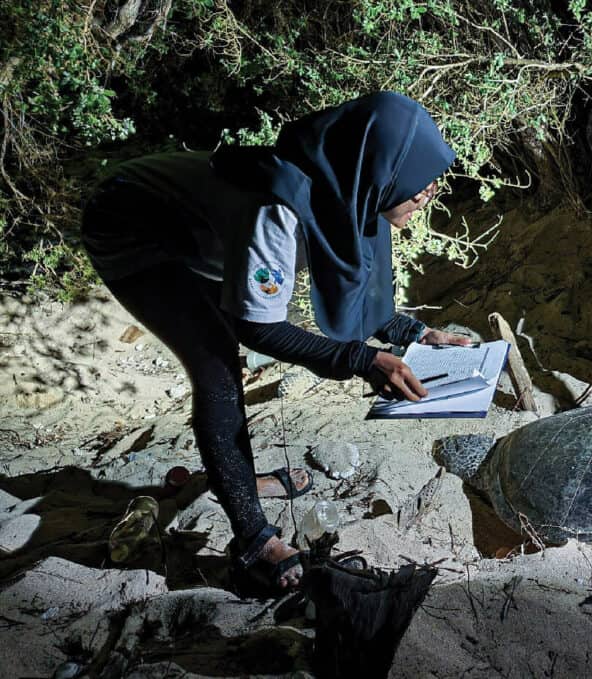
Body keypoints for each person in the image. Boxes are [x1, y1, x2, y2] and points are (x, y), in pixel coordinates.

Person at [81, 92, 471, 592]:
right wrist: (361, 359)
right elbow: (256, 327)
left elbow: (357, 286)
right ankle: (253, 540)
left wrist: (417, 333)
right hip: (129, 224)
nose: (429, 192)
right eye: (418, 185)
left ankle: (237, 479)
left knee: (221, 345)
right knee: (217, 362)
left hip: (198, 229)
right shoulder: (278, 208)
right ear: (379, 174)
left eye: (433, 183)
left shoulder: (350, 192)